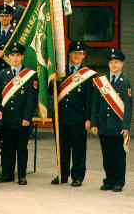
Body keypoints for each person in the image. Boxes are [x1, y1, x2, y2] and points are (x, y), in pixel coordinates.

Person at [52, 41, 95, 186]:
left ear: (83, 56)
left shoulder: (87, 74)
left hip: (79, 117)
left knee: (78, 148)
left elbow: (90, 99)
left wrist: (89, 119)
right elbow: (51, 91)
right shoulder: (59, 71)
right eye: (75, 53)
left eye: (81, 53)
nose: (78, 56)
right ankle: (62, 175)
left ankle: (77, 176)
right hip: (61, 116)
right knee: (62, 148)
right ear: (69, 53)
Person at [90, 48, 132, 192]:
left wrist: (126, 126)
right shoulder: (102, 81)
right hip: (104, 125)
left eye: (117, 62)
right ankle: (109, 180)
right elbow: (95, 103)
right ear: (108, 64)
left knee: (119, 156)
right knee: (107, 156)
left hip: (118, 126)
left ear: (122, 64)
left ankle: (119, 182)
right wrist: (94, 123)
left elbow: (128, 106)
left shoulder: (125, 82)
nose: (114, 65)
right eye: (111, 62)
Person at [0, 42, 36, 185]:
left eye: (18, 55)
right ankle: (7, 174)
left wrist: (27, 117)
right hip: (6, 118)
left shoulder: (30, 75)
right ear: (9, 57)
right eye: (12, 55)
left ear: (22, 57)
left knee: (22, 149)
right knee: (7, 148)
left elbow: (31, 99)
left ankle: (22, 176)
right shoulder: (1, 74)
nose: (15, 58)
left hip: (21, 118)